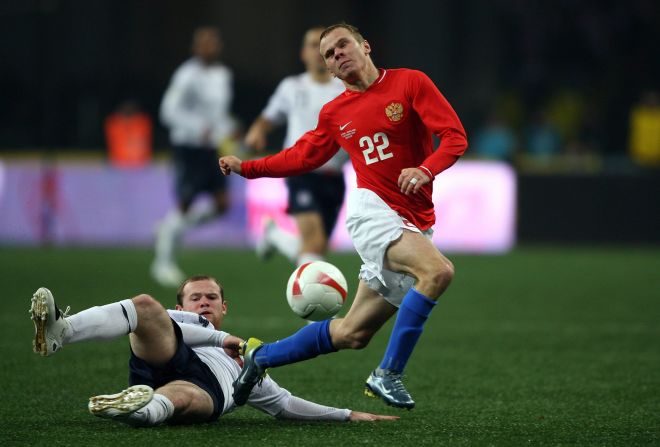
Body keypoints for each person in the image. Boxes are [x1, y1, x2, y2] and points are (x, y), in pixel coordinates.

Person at [220, 23, 468, 409]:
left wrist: (426, 169)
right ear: (331, 72)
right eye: (330, 56)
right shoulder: (335, 112)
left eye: (343, 46)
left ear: (365, 46)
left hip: (414, 219)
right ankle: (387, 374)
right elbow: (303, 156)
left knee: (353, 333)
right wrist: (247, 168)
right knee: (438, 271)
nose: (338, 55)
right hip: (373, 212)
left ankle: (260, 357)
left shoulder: (410, 83)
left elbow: (454, 136)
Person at [29, 276, 398, 426]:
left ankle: (138, 410)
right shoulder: (185, 322)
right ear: (182, 304)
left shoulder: (252, 359)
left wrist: (347, 414)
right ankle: (62, 331)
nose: (203, 302)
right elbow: (181, 332)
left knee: (183, 395)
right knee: (142, 305)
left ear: (225, 307)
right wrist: (223, 340)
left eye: (211, 297)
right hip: (166, 352)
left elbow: (284, 405)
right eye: (195, 297)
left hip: (206, 389)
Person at [244, 26, 347, 266]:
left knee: (317, 250)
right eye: (313, 45)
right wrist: (257, 130)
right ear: (303, 53)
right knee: (313, 245)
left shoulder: (346, 88)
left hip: (334, 176)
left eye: (326, 45)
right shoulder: (292, 87)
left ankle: (274, 235)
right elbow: (269, 117)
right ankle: (309, 299)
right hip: (301, 172)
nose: (319, 51)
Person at [153, 26, 238, 287]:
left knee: (223, 204)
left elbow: (218, 114)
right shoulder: (186, 75)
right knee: (186, 203)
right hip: (189, 147)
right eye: (203, 43)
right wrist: (196, 128)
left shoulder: (223, 75)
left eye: (212, 43)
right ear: (195, 48)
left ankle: (170, 229)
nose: (208, 47)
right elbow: (167, 111)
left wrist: (229, 127)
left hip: (212, 148)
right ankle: (162, 262)